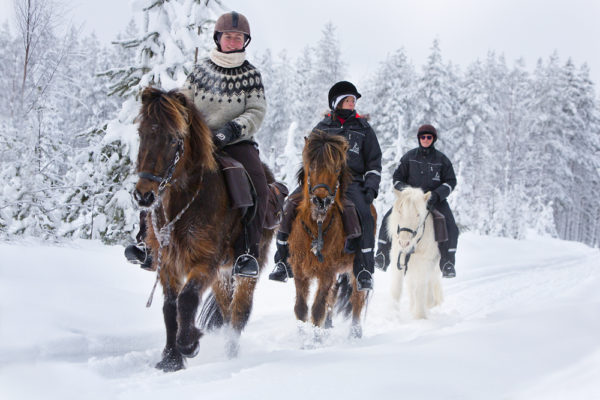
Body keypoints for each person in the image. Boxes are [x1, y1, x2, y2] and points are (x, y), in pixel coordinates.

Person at [125, 11, 268, 277]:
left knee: (259, 187)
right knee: (160, 172)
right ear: (218, 38)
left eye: (239, 38)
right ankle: (145, 242)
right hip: (198, 139)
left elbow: (257, 110)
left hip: (236, 141)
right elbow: (183, 101)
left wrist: (231, 130)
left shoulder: (251, 74)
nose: (233, 41)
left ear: (245, 41)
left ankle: (247, 252)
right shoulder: (202, 69)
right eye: (229, 36)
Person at [268, 81, 382, 291]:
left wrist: (372, 186)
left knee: (365, 214)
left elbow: (374, 161)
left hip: (352, 181)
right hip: (322, 179)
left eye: (353, 100)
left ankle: (364, 269)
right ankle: (282, 260)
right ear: (336, 103)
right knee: (290, 205)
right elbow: (309, 157)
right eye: (347, 100)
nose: (351, 103)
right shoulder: (322, 128)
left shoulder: (364, 129)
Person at [375, 124, 458, 278]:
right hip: (411, 200)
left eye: (429, 137)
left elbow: (450, 182)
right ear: (419, 139)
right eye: (422, 137)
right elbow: (397, 178)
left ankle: (447, 262)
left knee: (451, 226)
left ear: (433, 139)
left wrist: (437, 195)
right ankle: (382, 255)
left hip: (434, 200)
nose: (425, 140)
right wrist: (407, 191)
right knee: (388, 218)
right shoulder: (409, 157)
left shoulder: (442, 160)